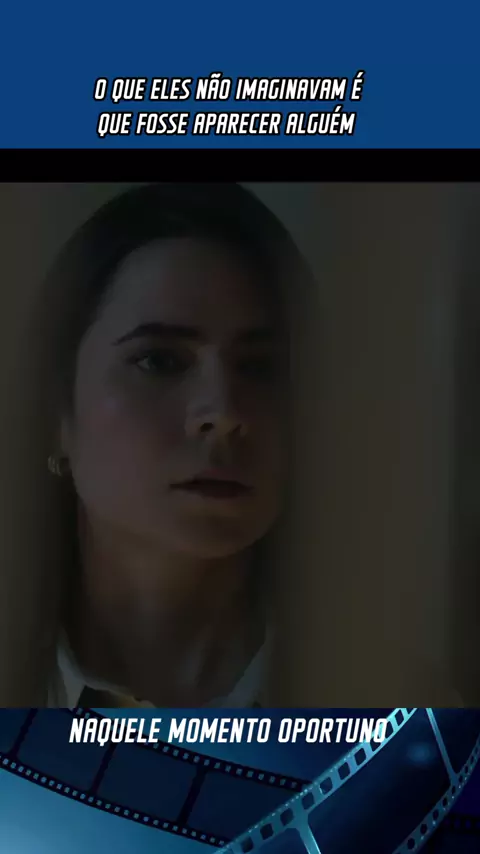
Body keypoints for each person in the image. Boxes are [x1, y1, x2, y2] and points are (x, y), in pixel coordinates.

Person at [6, 182, 306, 708]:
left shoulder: (400, 711)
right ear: (56, 411)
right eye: (159, 361)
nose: (223, 413)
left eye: (260, 367)